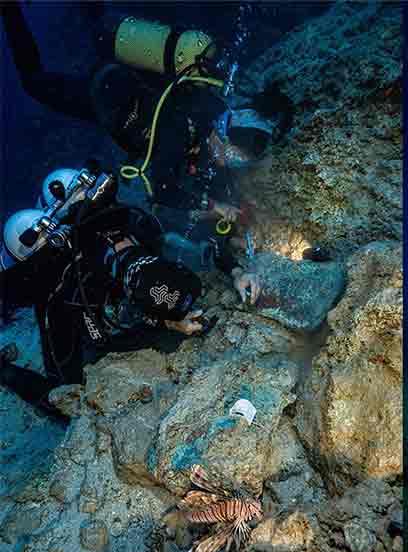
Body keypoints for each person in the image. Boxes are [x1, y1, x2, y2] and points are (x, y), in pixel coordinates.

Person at [0, 2, 294, 268]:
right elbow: (162, 188)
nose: (225, 164)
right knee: (34, 84)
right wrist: (216, 207)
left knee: (98, 28)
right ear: (225, 137)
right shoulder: (177, 129)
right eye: (231, 158)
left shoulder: (213, 105)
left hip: (126, 83)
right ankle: (10, 10)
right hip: (102, 97)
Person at [0, 191, 259, 424]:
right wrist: (166, 323)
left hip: (111, 301)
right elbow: (101, 340)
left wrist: (236, 271)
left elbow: (203, 238)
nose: (120, 245)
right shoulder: (66, 294)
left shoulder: (136, 225)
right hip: (78, 310)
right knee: (65, 395)